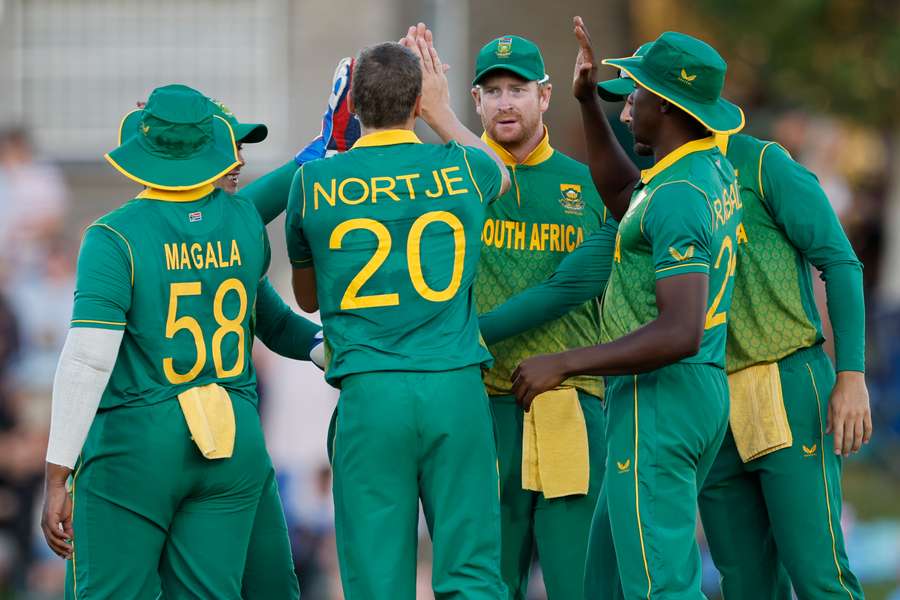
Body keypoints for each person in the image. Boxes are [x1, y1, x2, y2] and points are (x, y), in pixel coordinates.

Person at [39, 84, 309, 599]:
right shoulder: (243, 220)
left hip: (137, 440)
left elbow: (88, 360)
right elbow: (275, 193)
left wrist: (57, 476)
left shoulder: (113, 235)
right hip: (229, 437)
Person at [511, 24, 744, 598]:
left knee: (660, 588)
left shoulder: (680, 195)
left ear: (665, 106)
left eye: (634, 94)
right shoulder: (696, 170)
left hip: (663, 396)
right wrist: (588, 100)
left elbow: (680, 330)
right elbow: (624, 197)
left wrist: (565, 362)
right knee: (608, 581)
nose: (627, 107)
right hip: (677, 394)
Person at [285, 25, 511, 599]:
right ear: (417, 102)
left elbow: (309, 299)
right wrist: (442, 114)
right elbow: (502, 173)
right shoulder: (463, 168)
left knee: (376, 581)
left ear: (354, 104)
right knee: (472, 575)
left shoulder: (311, 183)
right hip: (454, 387)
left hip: (370, 392)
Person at [469, 33, 609, 599]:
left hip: (569, 405)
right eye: (493, 90)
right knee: (486, 583)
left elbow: (581, 288)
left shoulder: (587, 183)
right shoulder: (451, 179)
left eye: (518, 89)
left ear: (545, 96)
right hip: (482, 404)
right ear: (475, 101)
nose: (506, 102)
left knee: (578, 582)